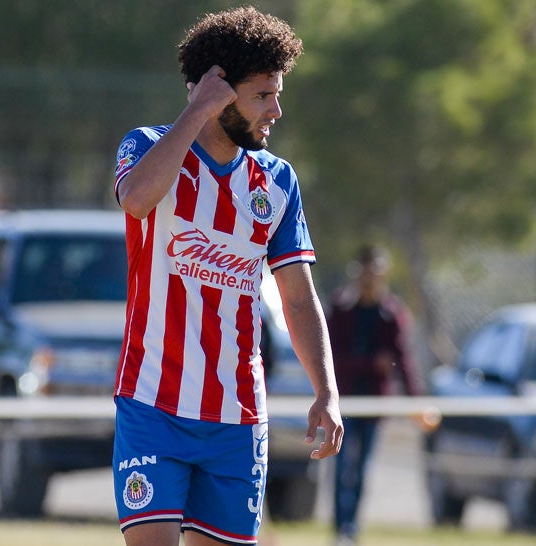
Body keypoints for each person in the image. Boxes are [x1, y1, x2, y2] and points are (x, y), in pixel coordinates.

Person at [110, 7, 343, 546]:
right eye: (263, 95)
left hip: (237, 419)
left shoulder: (278, 182)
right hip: (152, 405)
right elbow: (138, 199)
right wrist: (195, 113)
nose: (277, 110)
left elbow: (299, 299)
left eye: (278, 93)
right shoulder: (147, 146)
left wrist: (326, 392)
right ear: (216, 92)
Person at [327, 245, 423, 546]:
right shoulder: (341, 310)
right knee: (342, 468)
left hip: (374, 403)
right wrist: (371, 363)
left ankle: (351, 528)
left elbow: (402, 359)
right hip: (343, 403)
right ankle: (341, 527)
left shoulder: (390, 313)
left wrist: (416, 400)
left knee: (362, 469)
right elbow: (331, 356)